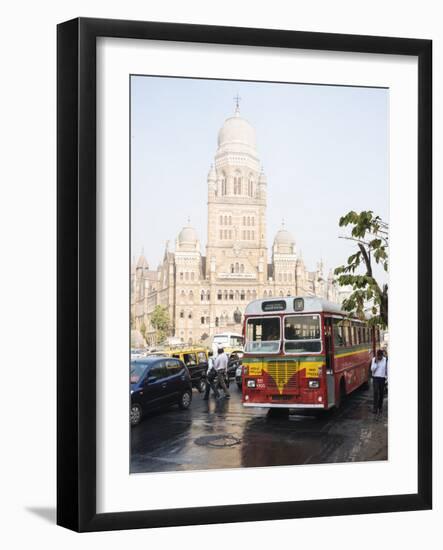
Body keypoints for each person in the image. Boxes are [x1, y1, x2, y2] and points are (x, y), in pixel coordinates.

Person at [371, 348, 388, 418]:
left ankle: (380, 407)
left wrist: (387, 379)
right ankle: (375, 408)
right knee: (375, 392)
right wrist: (376, 362)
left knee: (381, 393)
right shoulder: (374, 359)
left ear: (382, 355)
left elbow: (388, 370)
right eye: (378, 356)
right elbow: (372, 369)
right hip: (375, 378)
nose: (379, 358)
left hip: (382, 378)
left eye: (380, 357)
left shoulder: (386, 360)